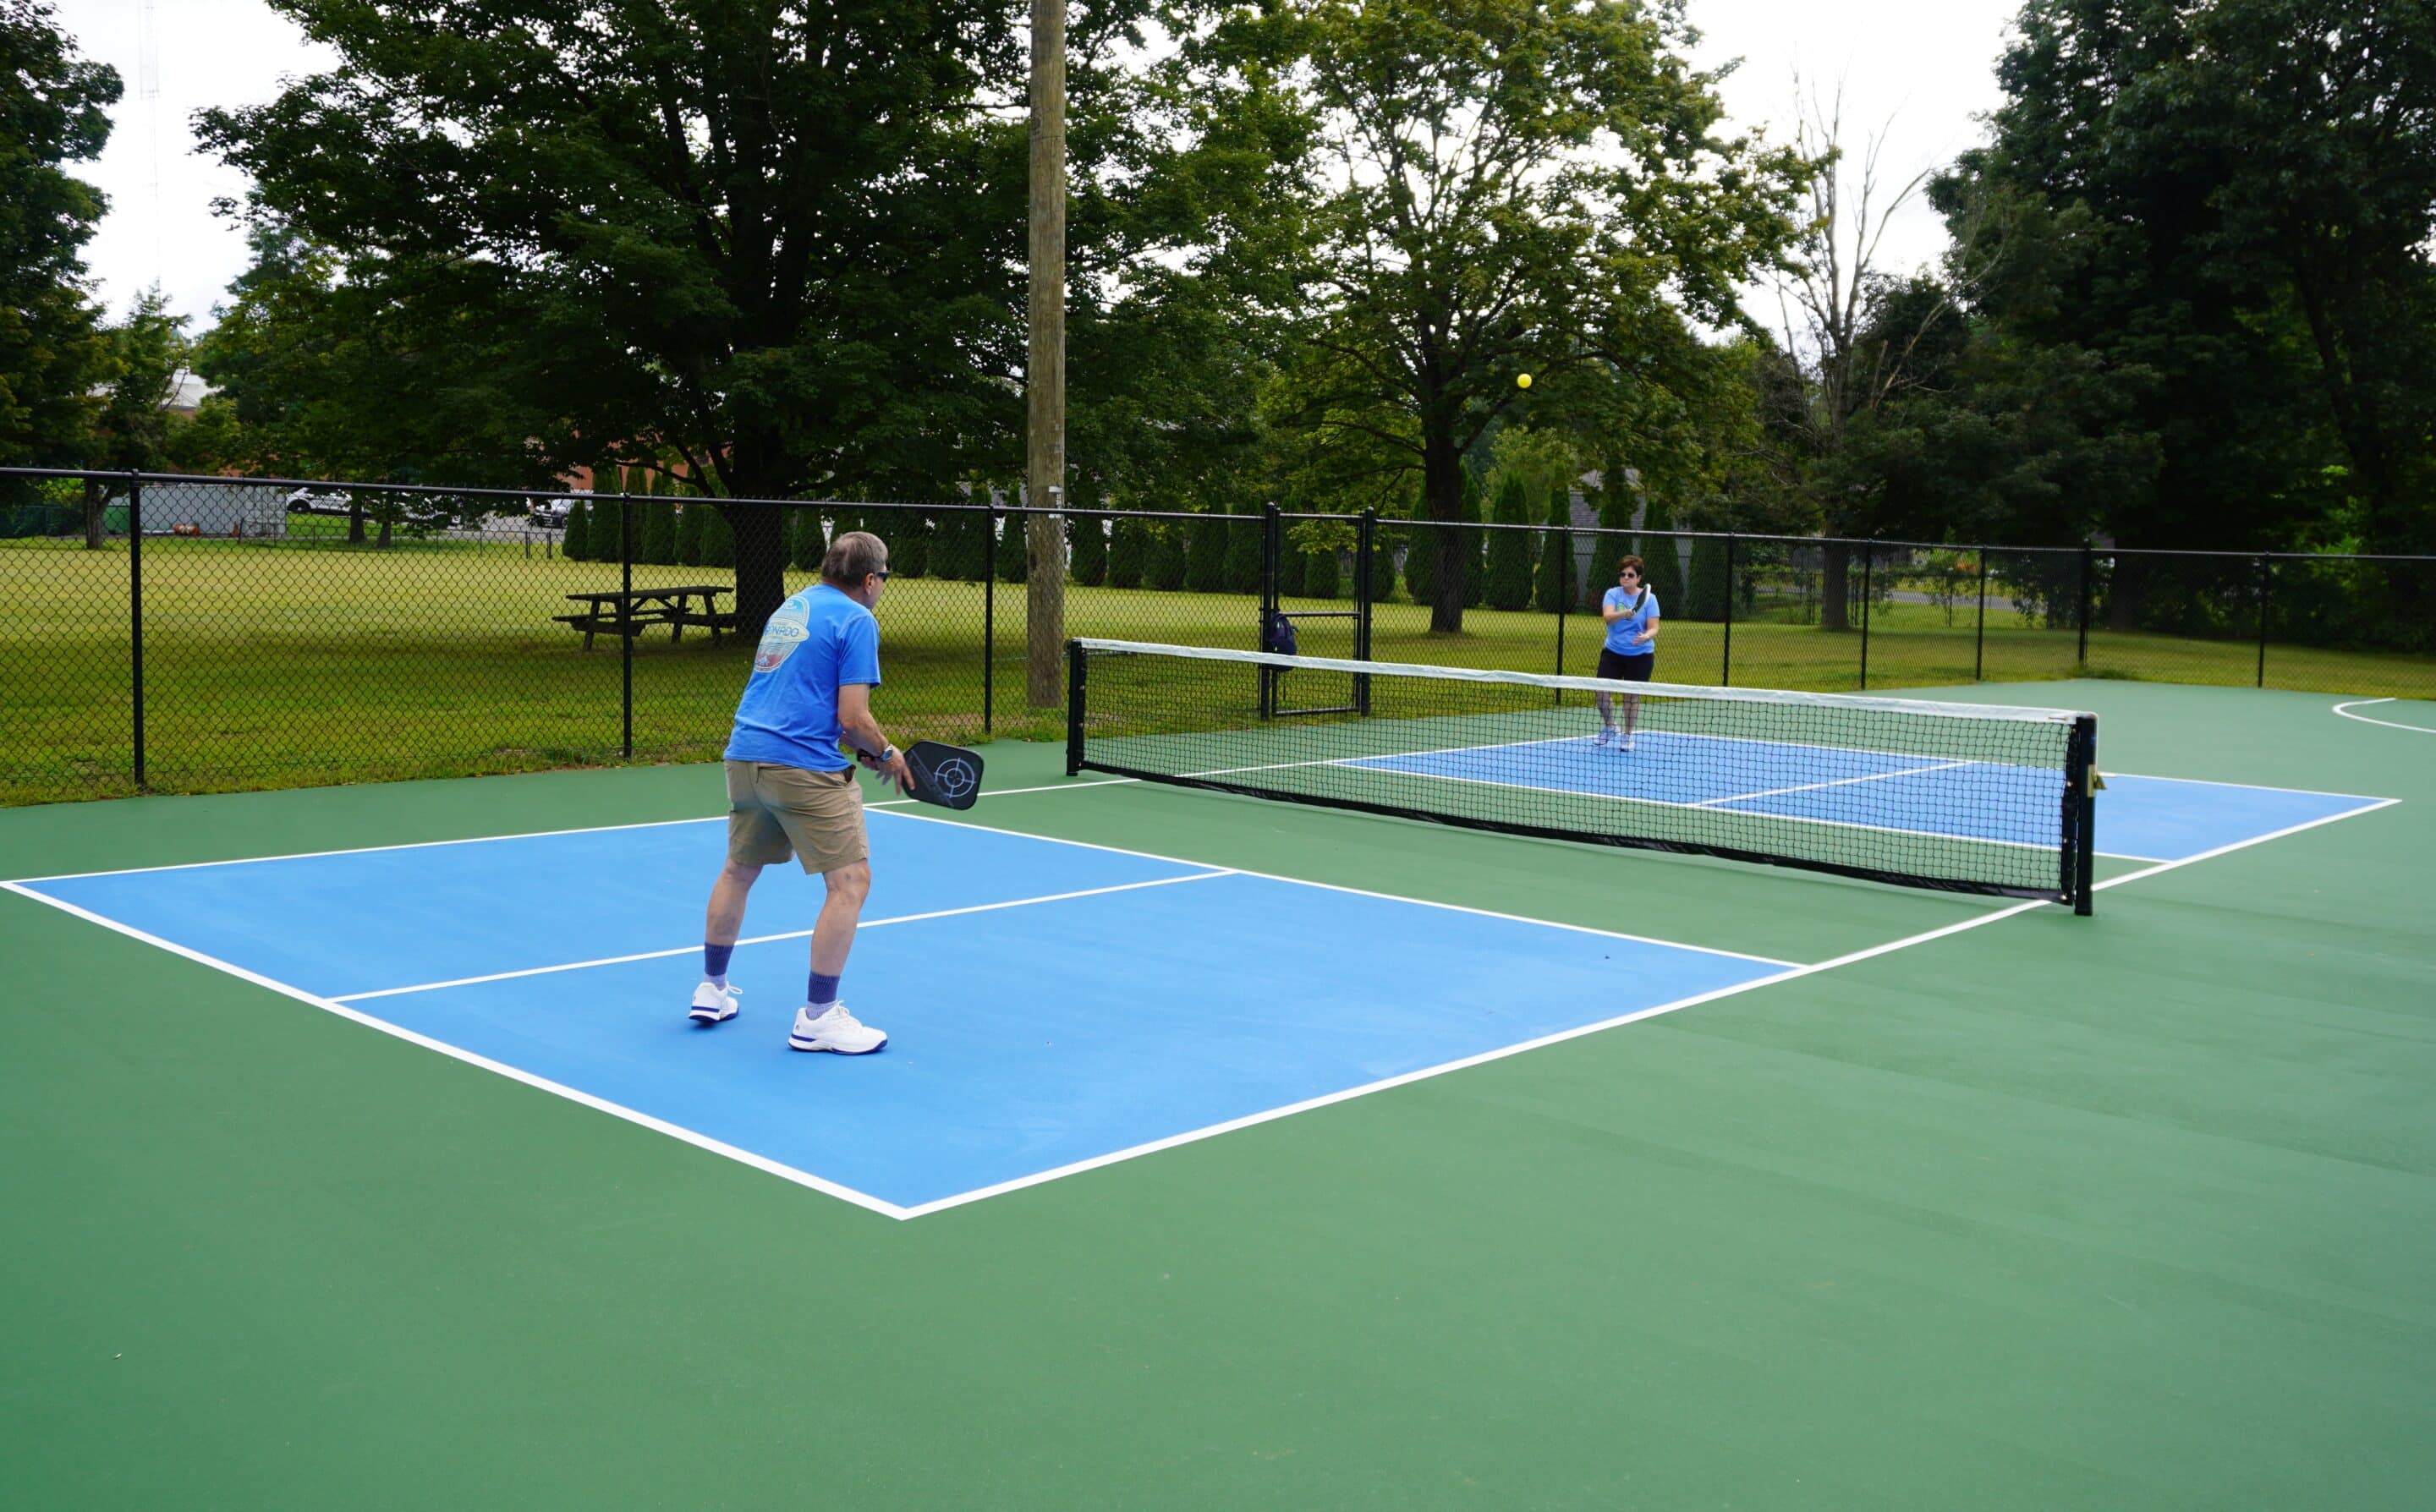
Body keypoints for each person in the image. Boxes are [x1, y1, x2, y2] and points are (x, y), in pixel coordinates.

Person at [687, 529, 913, 1054]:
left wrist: (857, 743)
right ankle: (818, 1017)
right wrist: (886, 753)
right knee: (851, 882)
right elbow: (852, 717)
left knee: (738, 871)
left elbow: (797, 692)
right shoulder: (858, 618)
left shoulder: (793, 606)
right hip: (801, 768)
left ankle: (712, 988)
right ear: (872, 579)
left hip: (745, 756)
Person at [1594, 554, 1660, 751]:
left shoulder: (1650, 600)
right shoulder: (1613, 594)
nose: (1625, 578)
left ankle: (1628, 735)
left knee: (1631, 696)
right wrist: (1626, 612)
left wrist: (1646, 636)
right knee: (1600, 692)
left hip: (1641, 655)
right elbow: (1607, 618)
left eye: (1630, 575)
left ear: (1638, 578)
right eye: (1622, 574)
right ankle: (1610, 727)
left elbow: (1654, 627)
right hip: (1613, 652)